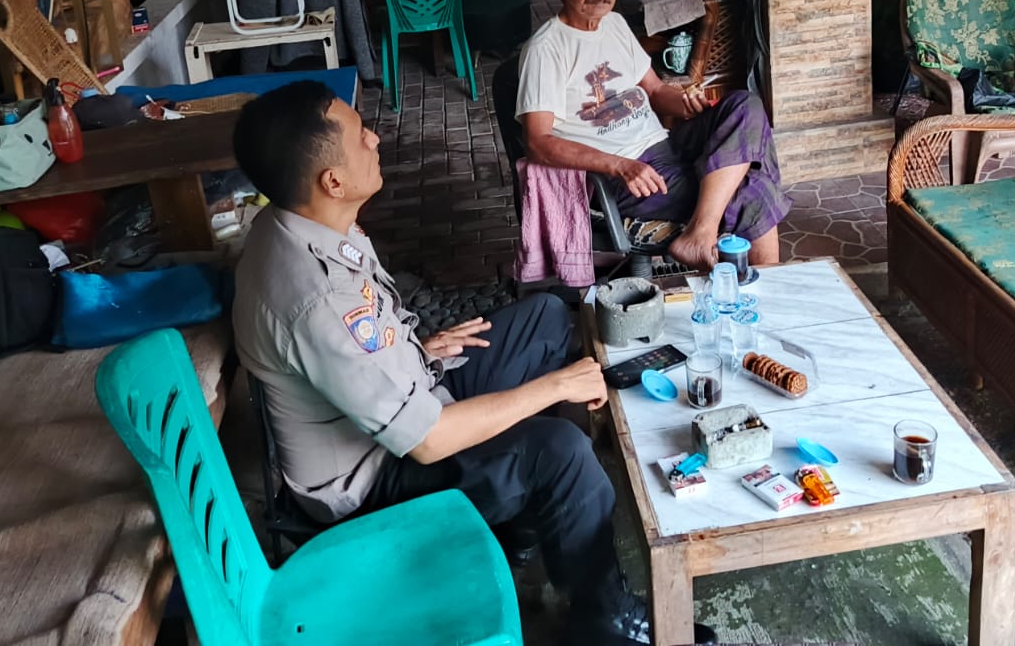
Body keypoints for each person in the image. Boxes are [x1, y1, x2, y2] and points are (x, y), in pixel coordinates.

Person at [230, 81, 712, 646]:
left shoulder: (305, 222)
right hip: (373, 478)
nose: (375, 138)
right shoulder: (318, 298)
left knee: (545, 319)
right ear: (331, 181)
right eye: (361, 136)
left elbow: (359, 349)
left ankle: (520, 526)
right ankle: (602, 616)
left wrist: (415, 349)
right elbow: (428, 441)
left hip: (399, 401)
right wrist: (554, 387)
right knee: (558, 452)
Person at [518, 0, 789, 271]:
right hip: (624, 174)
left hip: (665, 145)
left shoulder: (614, 24)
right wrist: (620, 166)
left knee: (744, 106)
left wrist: (686, 102)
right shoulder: (546, 49)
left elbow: (656, 91)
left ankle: (700, 231)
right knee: (753, 192)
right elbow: (538, 142)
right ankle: (741, 270)